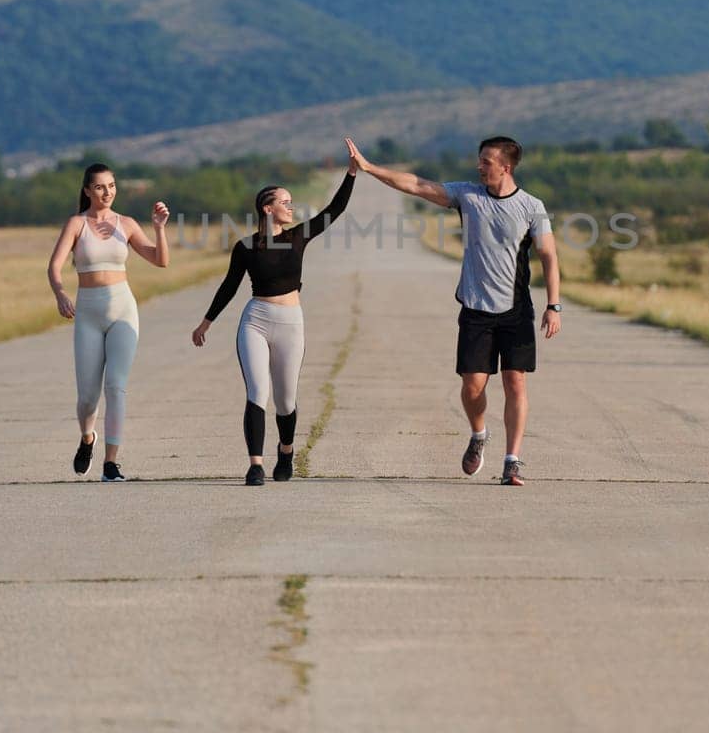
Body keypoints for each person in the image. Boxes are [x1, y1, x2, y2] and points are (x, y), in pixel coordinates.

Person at [345, 135, 560, 486]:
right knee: (473, 386)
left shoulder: (532, 207)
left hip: (516, 310)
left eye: (486, 162)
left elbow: (549, 257)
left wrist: (554, 305)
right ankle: (479, 434)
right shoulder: (467, 195)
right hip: (476, 308)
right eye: (479, 160)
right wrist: (369, 168)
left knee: (515, 383)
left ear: (506, 166)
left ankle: (512, 461)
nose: (479, 167)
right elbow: (417, 184)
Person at [191, 153, 358, 486]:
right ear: (268, 208)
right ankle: (255, 465)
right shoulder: (246, 247)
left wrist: (352, 174)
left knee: (285, 400)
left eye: (291, 202)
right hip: (256, 319)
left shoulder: (298, 237)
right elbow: (229, 286)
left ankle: (286, 450)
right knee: (257, 391)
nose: (291, 207)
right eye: (285, 202)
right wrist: (206, 322)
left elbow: (333, 211)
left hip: (290, 321)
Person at [47, 163, 170, 481]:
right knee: (88, 397)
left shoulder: (126, 224)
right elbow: (55, 267)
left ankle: (111, 463)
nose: (108, 192)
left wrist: (159, 228)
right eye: (100, 187)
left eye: (112, 186)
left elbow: (160, 260)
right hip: (88, 313)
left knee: (116, 387)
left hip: (122, 310)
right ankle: (88, 438)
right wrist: (61, 294)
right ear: (87, 190)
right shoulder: (77, 224)